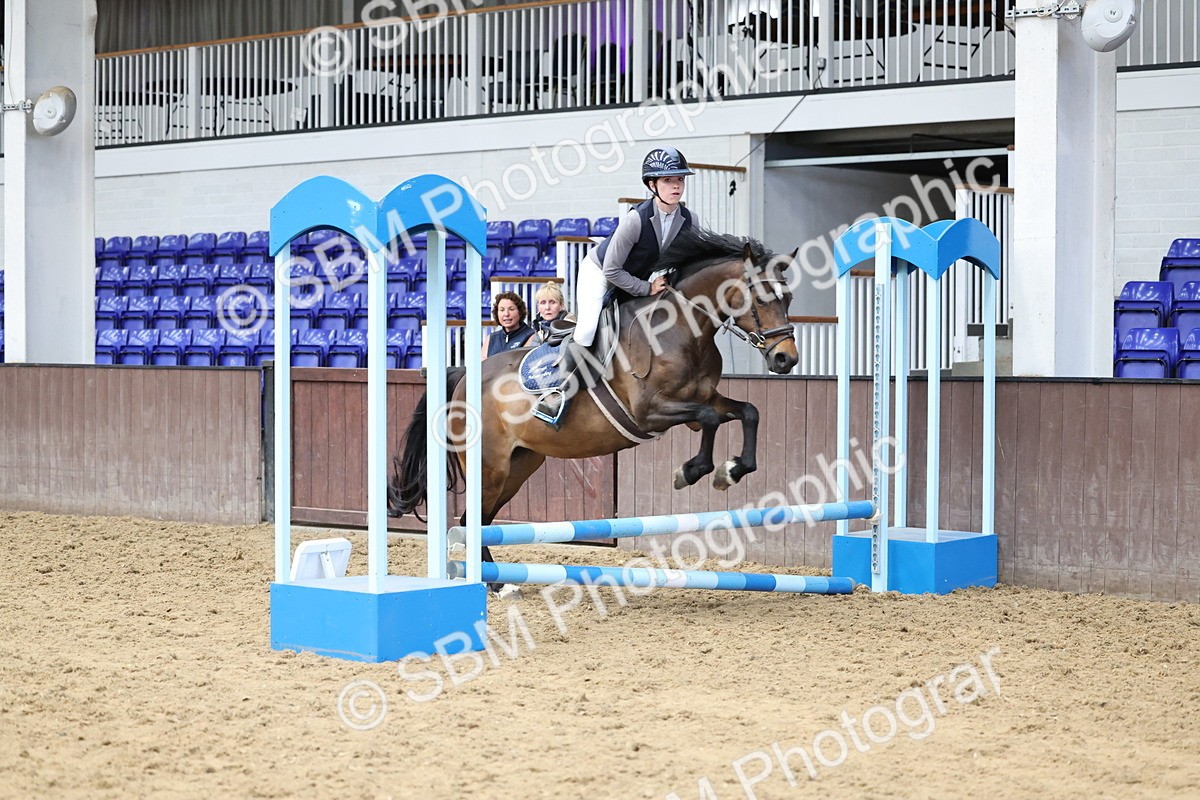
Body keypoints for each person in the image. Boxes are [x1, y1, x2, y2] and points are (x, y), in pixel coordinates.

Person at [535, 147, 701, 419]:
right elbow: (612, 270)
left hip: (637, 275)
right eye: (668, 180)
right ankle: (556, 393)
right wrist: (647, 288)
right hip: (600, 272)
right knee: (587, 330)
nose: (676, 186)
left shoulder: (689, 220)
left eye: (680, 180)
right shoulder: (635, 220)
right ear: (652, 185)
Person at [482, 291, 535, 359]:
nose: (506, 314)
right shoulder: (491, 338)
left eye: (511, 309)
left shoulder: (531, 336)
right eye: (502, 310)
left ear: (520, 312)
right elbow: (483, 363)